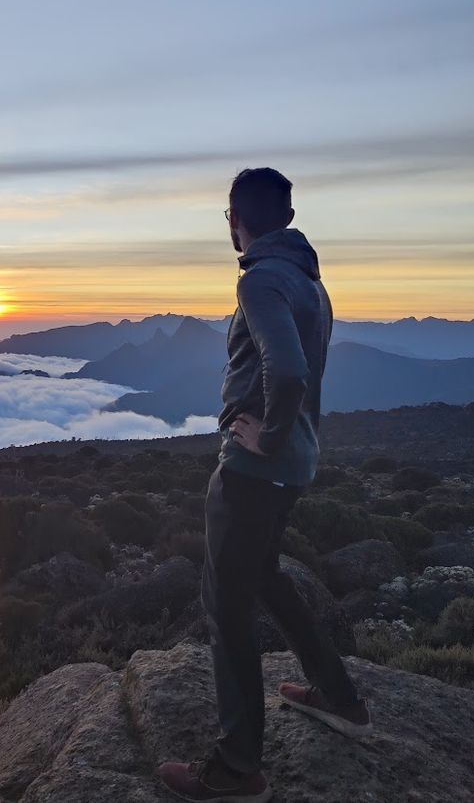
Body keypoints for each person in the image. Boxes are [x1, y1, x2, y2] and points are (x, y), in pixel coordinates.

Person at [155, 167, 372, 803]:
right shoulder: (309, 280)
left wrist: (266, 437)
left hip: (255, 471)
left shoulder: (260, 280)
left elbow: (290, 370)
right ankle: (338, 696)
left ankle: (237, 768)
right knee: (269, 576)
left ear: (234, 219)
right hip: (295, 468)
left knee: (225, 606)